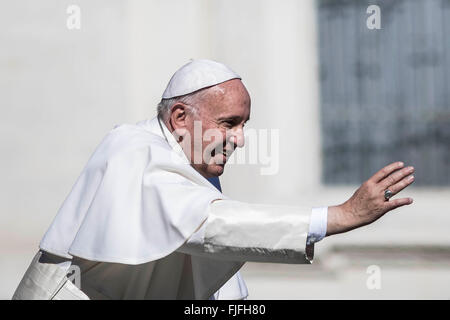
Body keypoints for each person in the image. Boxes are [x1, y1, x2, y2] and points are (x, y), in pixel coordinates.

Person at [12, 59, 415, 300]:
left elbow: (215, 269)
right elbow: (207, 226)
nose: (239, 139)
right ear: (180, 119)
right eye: (229, 123)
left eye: (244, 124)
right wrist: (337, 217)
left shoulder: (194, 172)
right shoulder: (131, 149)